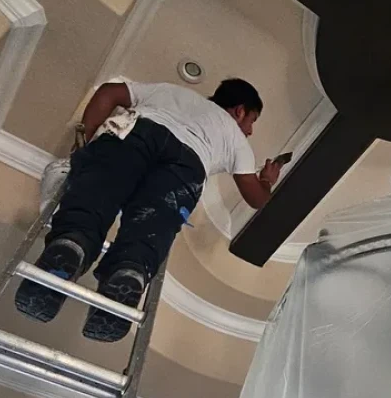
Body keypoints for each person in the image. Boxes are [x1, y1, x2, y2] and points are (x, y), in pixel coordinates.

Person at [15, 78, 282, 342]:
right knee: (151, 228)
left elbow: (109, 92)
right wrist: (268, 179)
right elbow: (256, 198)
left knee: (94, 198)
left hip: (134, 135)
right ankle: (129, 272)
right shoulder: (235, 137)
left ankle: (71, 244)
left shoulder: (173, 92)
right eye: (251, 121)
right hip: (187, 166)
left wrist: (87, 140)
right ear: (239, 111)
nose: (249, 131)